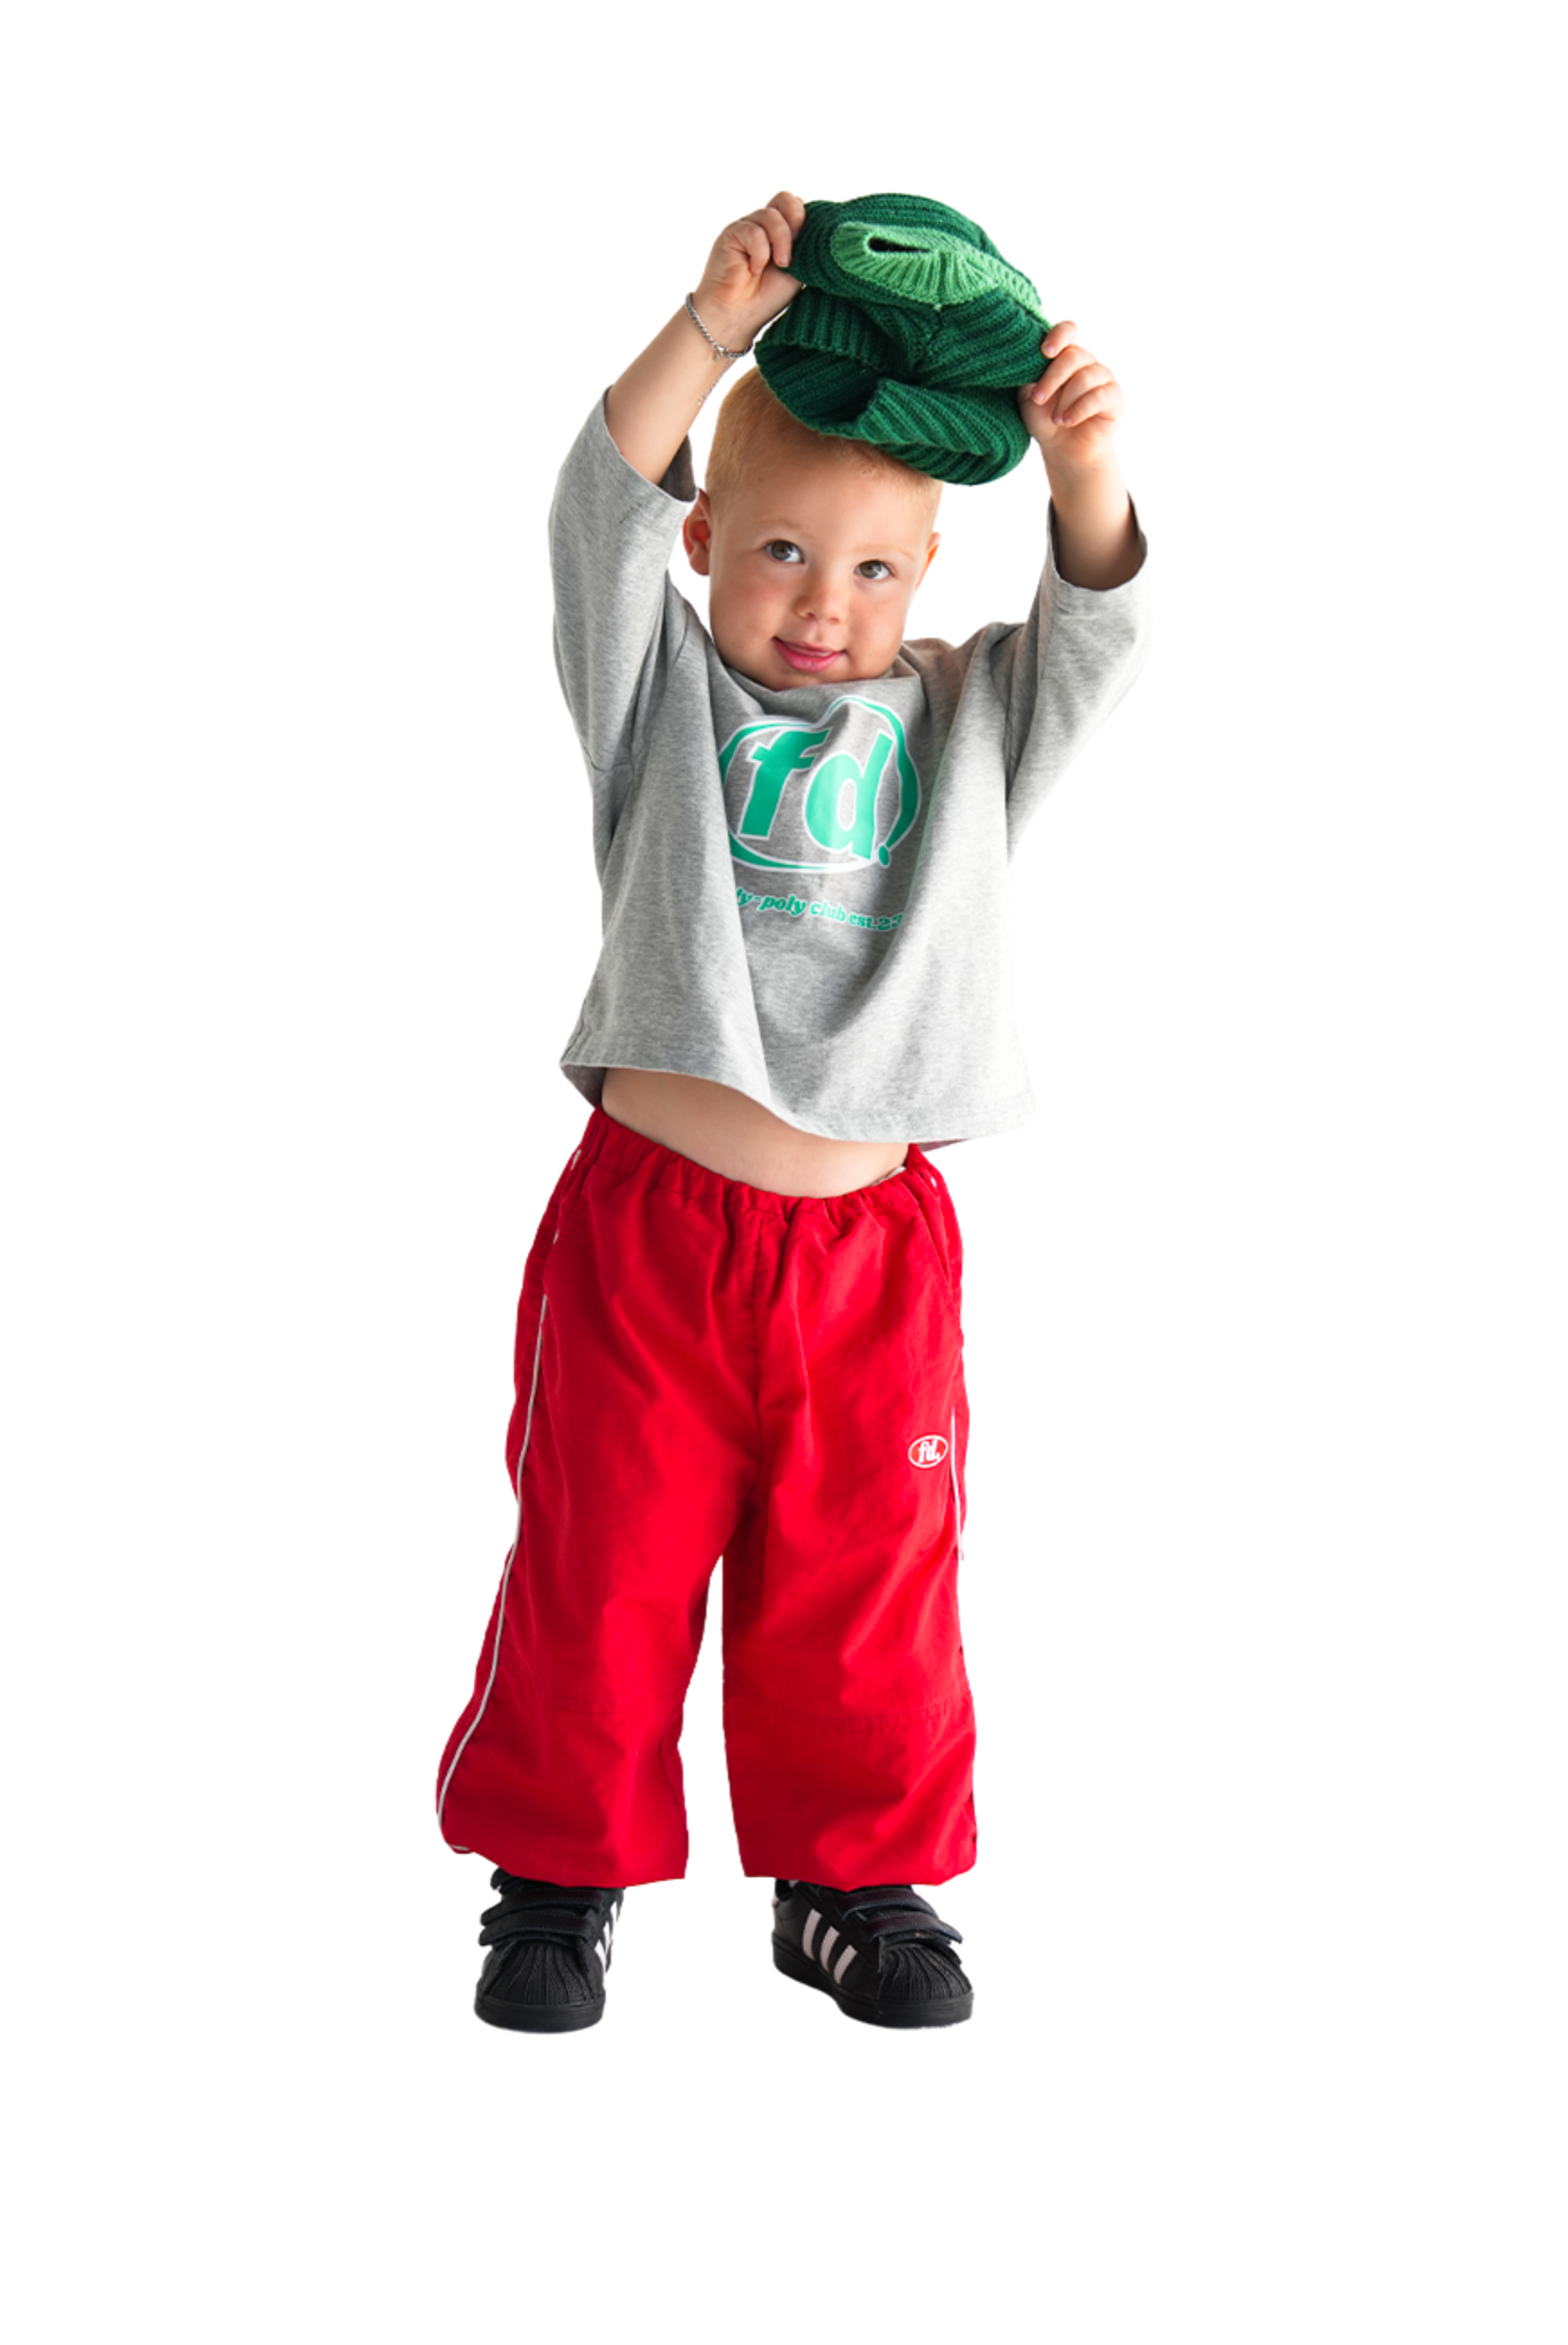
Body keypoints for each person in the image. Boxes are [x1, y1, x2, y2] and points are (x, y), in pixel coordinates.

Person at [434, 189, 1150, 2033]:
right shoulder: (657, 697)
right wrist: (710, 324)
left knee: (868, 1579)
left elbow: (1099, 635)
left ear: (929, 575)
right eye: (774, 554)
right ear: (705, 548)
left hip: (865, 1260)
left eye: (871, 573)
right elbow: (587, 515)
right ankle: (557, 1878)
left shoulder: (970, 726)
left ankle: (851, 1883)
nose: (821, 609)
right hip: (654, 1229)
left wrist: (1085, 468)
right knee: (601, 1555)